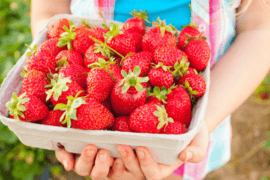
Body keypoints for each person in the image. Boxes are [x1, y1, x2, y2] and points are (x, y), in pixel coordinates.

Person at [30, 0, 270, 179]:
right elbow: (49, 15)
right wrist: (63, 128)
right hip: (89, 135)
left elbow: (260, 28)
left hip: (202, 113)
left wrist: (201, 123)